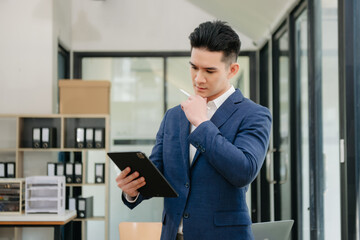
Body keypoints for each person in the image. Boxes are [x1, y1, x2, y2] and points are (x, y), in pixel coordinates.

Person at [116, 20, 272, 240]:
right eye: (194, 67)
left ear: (232, 70)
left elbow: (243, 171)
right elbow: (157, 172)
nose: (198, 78)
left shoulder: (254, 114)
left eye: (209, 70)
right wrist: (132, 190)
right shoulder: (173, 116)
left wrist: (202, 123)